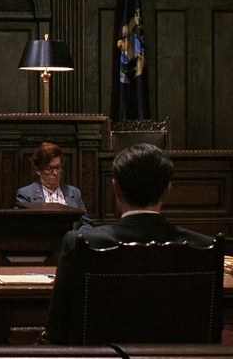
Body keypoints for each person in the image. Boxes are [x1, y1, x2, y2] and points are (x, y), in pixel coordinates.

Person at [40, 143, 215, 344]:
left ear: (115, 188)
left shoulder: (81, 243)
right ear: (167, 189)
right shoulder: (204, 246)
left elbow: (57, 329)